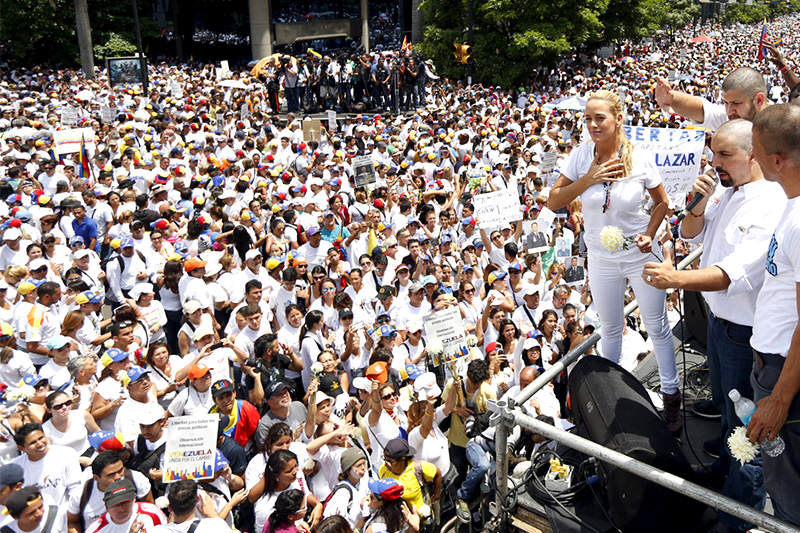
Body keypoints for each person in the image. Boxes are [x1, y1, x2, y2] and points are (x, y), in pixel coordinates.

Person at [642, 119, 784, 530]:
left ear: (752, 154)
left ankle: (741, 512)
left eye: (724, 155)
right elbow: (689, 234)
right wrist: (699, 204)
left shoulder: (769, 203)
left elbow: (732, 274)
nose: (714, 162)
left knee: (746, 429)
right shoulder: (723, 190)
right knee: (727, 405)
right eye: (713, 153)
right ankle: (725, 464)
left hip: (746, 333)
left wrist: (676, 279)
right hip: (720, 324)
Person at [548, 89, 680, 432]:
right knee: (609, 330)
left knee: (656, 325)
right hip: (602, 259)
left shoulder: (639, 159)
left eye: (599, 118)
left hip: (639, 255)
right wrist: (589, 179)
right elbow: (552, 201)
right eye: (587, 118)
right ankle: (610, 397)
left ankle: (671, 397)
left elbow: (663, 203)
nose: (592, 124)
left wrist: (651, 232)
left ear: (618, 119)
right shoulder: (580, 157)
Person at [747, 103, 800, 526]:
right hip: (777, 367)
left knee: (789, 491)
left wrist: (779, 399)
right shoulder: (791, 203)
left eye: (756, 150)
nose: (752, 157)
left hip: (787, 376)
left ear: (777, 161)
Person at [11, 423, 81, 507]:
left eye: (41, 438)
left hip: (67, 513)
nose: (39, 444)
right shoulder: (15, 467)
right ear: (21, 448)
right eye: (32, 443)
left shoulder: (67, 454)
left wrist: (72, 515)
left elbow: (76, 490)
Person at [84, 478, 167, 533]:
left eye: (125, 503)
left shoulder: (152, 513)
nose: (121, 509)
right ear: (107, 507)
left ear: (134, 499)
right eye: (116, 505)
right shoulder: (95, 530)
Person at [151, 479, 230, 533]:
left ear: (169, 507)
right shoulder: (214, 526)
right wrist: (211, 514)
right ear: (198, 499)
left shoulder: (156, 531)